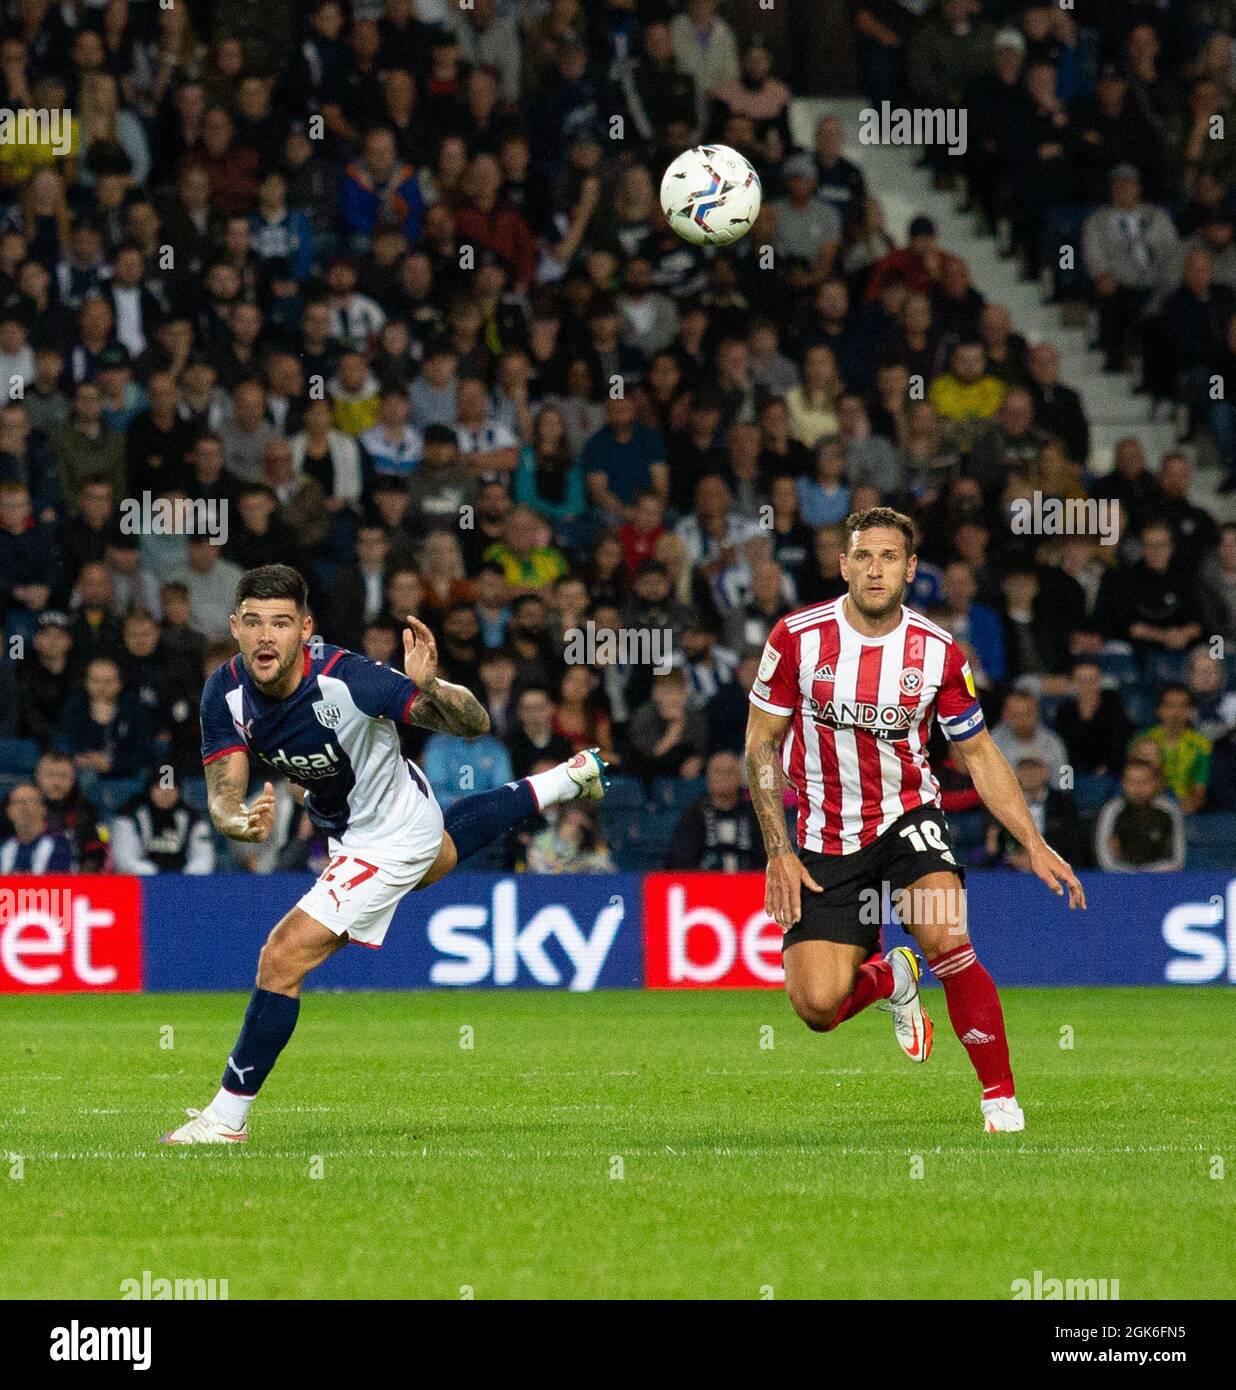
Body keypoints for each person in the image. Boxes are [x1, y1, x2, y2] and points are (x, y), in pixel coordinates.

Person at [161, 564, 609, 1145]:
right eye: (253, 623)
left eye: (280, 623)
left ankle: (225, 1118)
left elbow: (473, 725)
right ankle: (565, 780)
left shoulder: (349, 680)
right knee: (441, 857)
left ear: (305, 629)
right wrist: (235, 820)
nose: (265, 636)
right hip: (373, 820)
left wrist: (434, 686)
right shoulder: (222, 690)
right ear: (234, 626)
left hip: (391, 834)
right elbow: (223, 786)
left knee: (281, 957)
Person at [744, 507, 1085, 1135]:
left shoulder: (938, 653)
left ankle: (999, 1098)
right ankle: (889, 977)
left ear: (910, 569)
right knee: (818, 1006)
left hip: (909, 820)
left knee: (948, 939)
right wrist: (778, 850)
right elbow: (760, 746)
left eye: (890, 557)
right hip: (822, 834)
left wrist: (1033, 842)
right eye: (864, 557)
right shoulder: (796, 637)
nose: (876, 570)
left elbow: (979, 753)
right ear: (843, 565)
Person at [665, 750, 762, 871]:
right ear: (708, 777)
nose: (724, 777)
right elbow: (682, 860)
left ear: (739, 777)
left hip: (748, 884)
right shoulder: (694, 814)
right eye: (718, 771)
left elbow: (763, 858)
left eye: (730, 772)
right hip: (703, 885)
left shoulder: (754, 815)